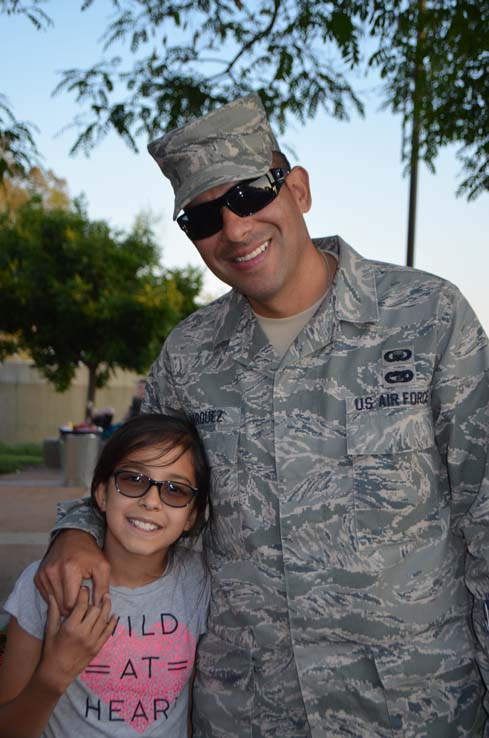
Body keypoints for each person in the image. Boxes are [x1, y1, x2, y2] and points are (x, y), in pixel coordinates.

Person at [34, 94, 489, 737]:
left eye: (249, 195)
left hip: (412, 711)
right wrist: (74, 534)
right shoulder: (189, 357)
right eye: (202, 218)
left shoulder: (427, 318)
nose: (235, 229)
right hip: (249, 712)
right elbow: (132, 482)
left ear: (298, 189)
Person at [0, 413, 211, 738]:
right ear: (100, 493)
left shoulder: (198, 582)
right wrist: (54, 675)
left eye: (175, 489)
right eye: (133, 480)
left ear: (191, 516)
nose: (151, 500)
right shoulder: (47, 582)